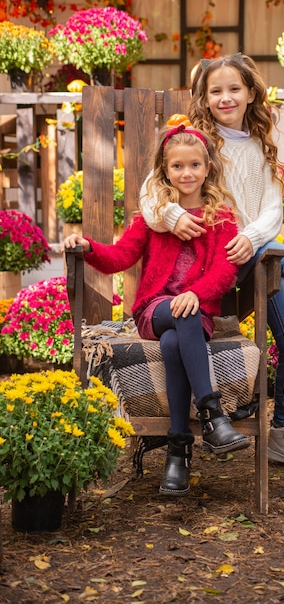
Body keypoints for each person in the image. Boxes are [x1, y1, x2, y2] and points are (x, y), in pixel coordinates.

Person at [140, 53, 284, 474]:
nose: (225, 97)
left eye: (234, 88)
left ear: (251, 92)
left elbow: (273, 210)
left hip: (250, 256)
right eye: (215, 90)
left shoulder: (259, 145)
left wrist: (250, 236)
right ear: (205, 96)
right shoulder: (194, 140)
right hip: (211, 266)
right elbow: (149, 196)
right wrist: (174, 215)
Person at [63, 124, 250, 498]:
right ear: (165, 171)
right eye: (177, 167)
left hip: (196, 317)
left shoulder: (222, 217)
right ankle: (213, 414)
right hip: (154, 310)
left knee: (173, 344)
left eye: (194, 165)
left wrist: (196, 294)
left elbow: (225, 271)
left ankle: (178, 451)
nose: (186, 173)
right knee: (178, 319)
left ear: (208, 166)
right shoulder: (155, 217)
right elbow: (120, 257)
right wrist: (87, 246)